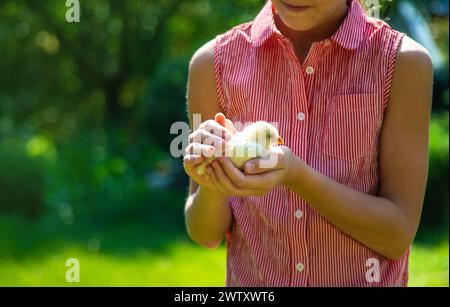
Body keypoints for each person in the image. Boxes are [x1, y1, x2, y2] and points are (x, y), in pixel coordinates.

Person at [183, 0, 433, 286]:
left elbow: (397, 234)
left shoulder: (402, 62)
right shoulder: (212, 64)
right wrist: (214, 180)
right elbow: (204, 232)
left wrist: (297, 175)